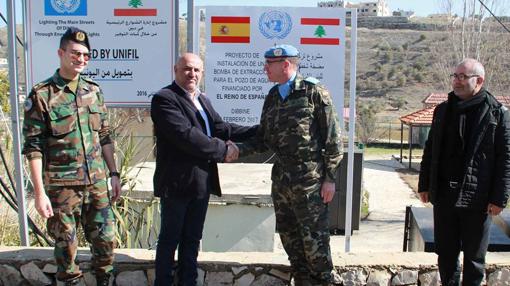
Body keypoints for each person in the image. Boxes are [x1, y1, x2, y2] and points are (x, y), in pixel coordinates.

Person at [22, 27, 121, 286]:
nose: (81, 59)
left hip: (97, 183)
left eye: (86, 55)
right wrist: (40, 193)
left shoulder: (94, 91)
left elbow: (105, 136)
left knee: (106, 242)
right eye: (75, 53)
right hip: (62, 189)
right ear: (61, 53)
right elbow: (33, 147)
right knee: (66, 250)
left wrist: (114, 174)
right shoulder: (42, 94)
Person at [238, 44, 343, 286]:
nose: (265, 69)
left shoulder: (314, 93)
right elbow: (264, 139)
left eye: (269, 64)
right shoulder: (273, 96)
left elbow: (334, 141)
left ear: (285, 65)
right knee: (292, 244)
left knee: (315, 247)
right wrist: (234, 150)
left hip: (310, 184)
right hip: (282, 183)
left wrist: (330, 179)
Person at [150, 52, 257, 286]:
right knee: (170, 240)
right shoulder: (164, 99)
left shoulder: (202, 99)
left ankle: (188, 281)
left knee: (192, 239)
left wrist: (259, 131)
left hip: (201, 183)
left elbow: (222, 128)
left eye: (197, 70)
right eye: (187, 69)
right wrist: (224, 151)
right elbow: (188, 137)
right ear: (175, 69)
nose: (192, 74)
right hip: (177, 184)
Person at [418, 58, 510, 286]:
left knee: (474, 259)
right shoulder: (442, 110)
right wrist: (424, 184)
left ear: (479, 81)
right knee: (446, 255)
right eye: (454, 76)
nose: (456, 81)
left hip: (477, 199)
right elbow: (431, 150)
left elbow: (505, 159)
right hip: (444, 197)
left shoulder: (496, 113)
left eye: (462, 77)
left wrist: (500, 198)